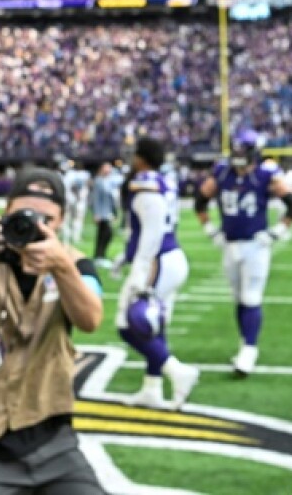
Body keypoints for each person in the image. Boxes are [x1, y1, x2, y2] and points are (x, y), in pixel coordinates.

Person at [0, 168, 105, 495]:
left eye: (45, 220)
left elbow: (90, 320)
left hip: (51, 436)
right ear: (5, 214)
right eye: (24, 217)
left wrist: (62, 267)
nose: (34, 229)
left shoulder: (76, 265)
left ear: (61, 220)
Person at [195, 128, 292, 376]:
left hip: (255, 245)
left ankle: (249, 350)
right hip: (229, 244)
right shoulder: (221, 172)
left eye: (243, 150)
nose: (239, 155)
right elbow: (200, 200)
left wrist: (276, 232)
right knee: (238, 298)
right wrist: (210, 229)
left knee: (251, 297)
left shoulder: (266, 175)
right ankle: (245, 342)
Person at [114, 136, 200, 409]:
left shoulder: (145, 183)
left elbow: (152, 232)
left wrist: (140, 269)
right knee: (154, 325)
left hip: (157, 260)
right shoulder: (163, 179)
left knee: (128, 324)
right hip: (167, 256)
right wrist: (124, 256)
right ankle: (152, 387)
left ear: (143, 157)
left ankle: (176, 371)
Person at [90, 161, 120, 268]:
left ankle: (101, 255)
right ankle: (99, 256)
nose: (108, 170)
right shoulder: (98, 181)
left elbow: (112, 199)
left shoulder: (110, 181)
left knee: (107, 234)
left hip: (108, 212)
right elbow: (96, 198)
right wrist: (96, 213)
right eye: (106, 167)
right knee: (103, 234)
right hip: (101, 213)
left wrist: (114, 212)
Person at [60, 158, 91, 246]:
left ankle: (66, 238)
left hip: (69, 199)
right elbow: (88, 185)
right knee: (77, 220)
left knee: (66, 219)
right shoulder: (85, 174)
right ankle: (75, 237)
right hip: (79, 200)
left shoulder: (69, 174)